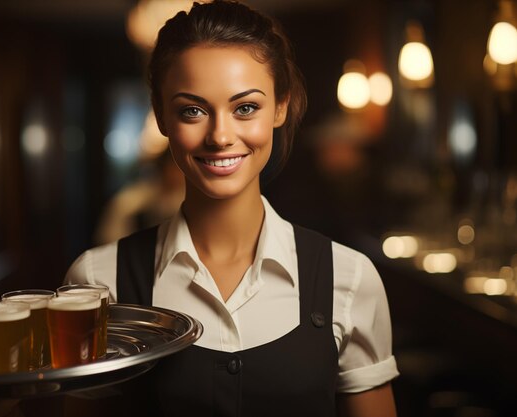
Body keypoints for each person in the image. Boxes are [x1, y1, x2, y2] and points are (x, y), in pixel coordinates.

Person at [66, 1, 399, 416]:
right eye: (193, 110)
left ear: (280, 107)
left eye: (245, 108)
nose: (221, 136)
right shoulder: (97, 283)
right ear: (161, 116)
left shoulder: (349, 281)